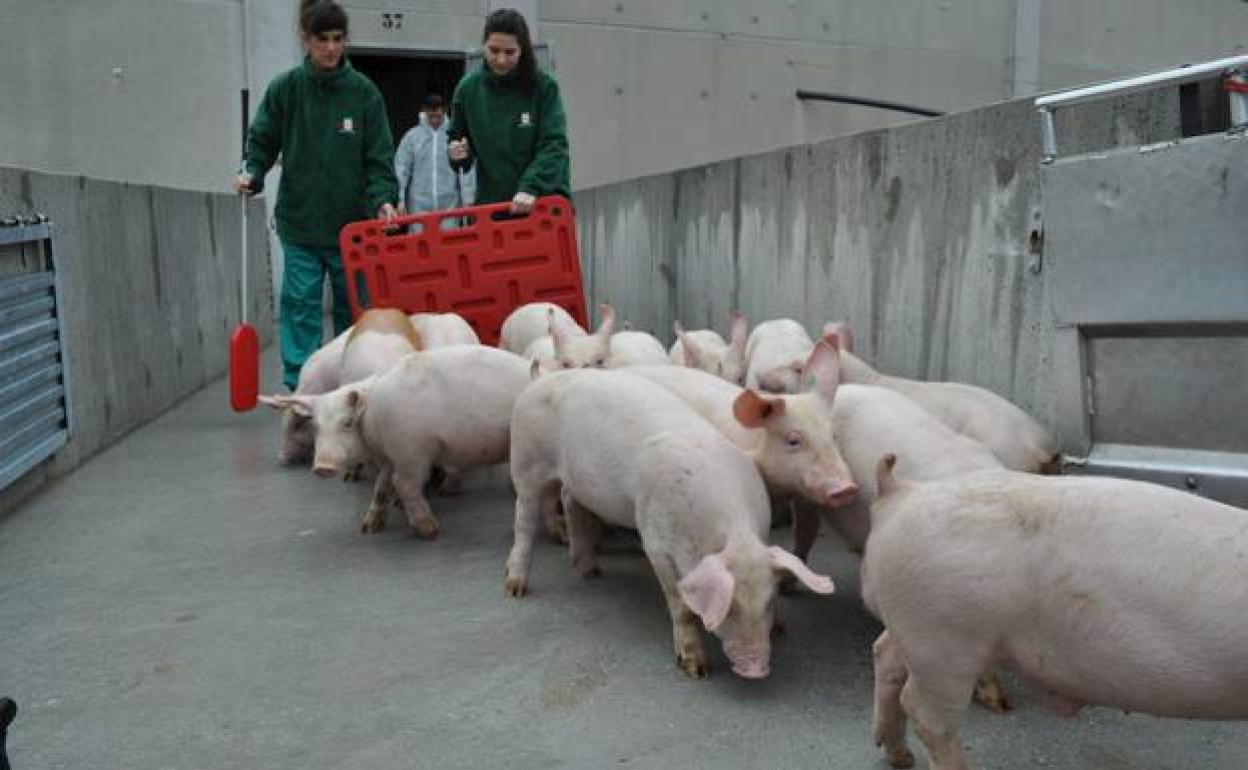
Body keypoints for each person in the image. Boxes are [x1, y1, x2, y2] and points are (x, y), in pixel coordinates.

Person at [234, 0, 399, 392]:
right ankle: (302, 390)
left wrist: (383, 199)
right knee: (301, 307)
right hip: (301, 222)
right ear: (305, 39)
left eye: (337, 39)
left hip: (352, 227)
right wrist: (251, 174)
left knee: (352, 313)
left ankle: (349, 388)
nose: (330, 48)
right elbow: (262, 141)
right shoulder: (285, 90)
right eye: (321, 39)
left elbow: (379, 158)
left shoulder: (364, 94)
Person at [447, 8, 570, 214]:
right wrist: (457, 153)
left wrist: (531, 186)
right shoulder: (468, 90)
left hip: (541, 204)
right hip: (494, 208)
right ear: (484, 46)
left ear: (523, 50)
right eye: (494, 51)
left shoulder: (544, 87)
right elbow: (457, 141)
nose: (501, 60)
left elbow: (554, 145)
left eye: (510, 52)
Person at [395, 93, 476, 217]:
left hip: (450, 207)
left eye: (438, 116)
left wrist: (469, 200)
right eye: (431, 116)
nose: (435, 120)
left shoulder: (454, 136)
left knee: (451, 236)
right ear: (424, 111)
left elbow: (466, 170)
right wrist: (399, 200)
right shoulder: (411, 137)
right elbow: (401, 169)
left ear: (444, 111)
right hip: (418, 208)